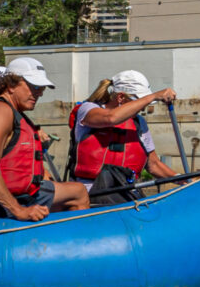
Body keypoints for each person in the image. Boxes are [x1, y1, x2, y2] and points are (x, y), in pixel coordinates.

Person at [0, 57, 90, 221]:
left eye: (42, 88)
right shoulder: (0, 111)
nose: (40, 93)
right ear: (11, 85)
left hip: (22, 195)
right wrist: (19, 211)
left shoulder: (12, 111)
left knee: (77, 190)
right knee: (78, 194)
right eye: (34, 86)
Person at [70, 69, 180, 199]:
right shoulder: (88, 109)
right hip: (89, 194)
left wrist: (185, 180)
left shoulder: (139, 122)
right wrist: (152, 96)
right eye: (140, 101)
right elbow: (110, 118)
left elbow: (154, 165)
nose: (143, 107)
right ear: (121, 97)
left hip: (126, 192)